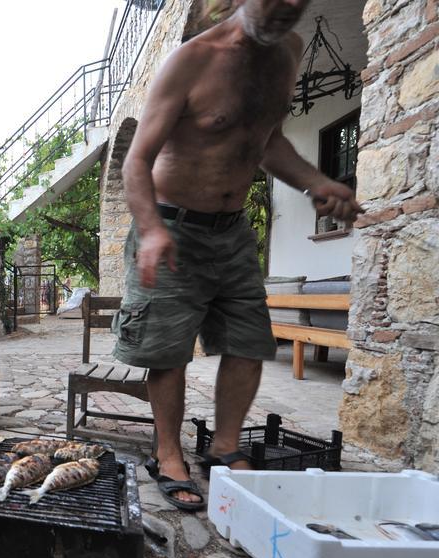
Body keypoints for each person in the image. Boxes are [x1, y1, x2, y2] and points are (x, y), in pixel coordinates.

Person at [116, 0, 362, 510]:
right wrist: (152, 229)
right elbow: (136, 160)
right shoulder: (191, 61)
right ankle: (167, 454)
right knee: (167, 350)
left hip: (231, 234)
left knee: (250, 341)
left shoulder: (288, 53)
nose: (285, 9)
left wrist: (316, 180)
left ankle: (225, 449)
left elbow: (266, 141)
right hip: (171, 227)